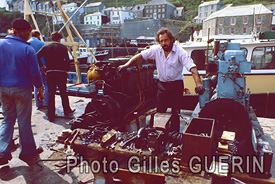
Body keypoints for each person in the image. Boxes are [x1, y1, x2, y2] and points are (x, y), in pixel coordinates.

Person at [118, 27, 205, 132]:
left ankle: (174, 136)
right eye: (161, 41)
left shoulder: (179, 52)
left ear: (171, 39)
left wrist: (198, 84)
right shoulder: (156, 50)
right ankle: (158, 135)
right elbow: (140, 56)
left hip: (176, 86)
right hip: (162, 86)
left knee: (175, 113)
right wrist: (126, 65)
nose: (164, 43)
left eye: (166, 40)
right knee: (160, 112)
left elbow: (192, 68)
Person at [0, 18, 44, 165]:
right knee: (23, 120)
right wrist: (40, 88)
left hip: (3, 88)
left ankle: (1, 152)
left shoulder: (0, 44)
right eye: (29, 32)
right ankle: (27, 151)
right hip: (21, 89)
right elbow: (35, 73)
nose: (29, 35)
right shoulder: (28, 49)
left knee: (7, 119)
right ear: (24, 32)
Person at [37, 31, 75, 122]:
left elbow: (36, 56)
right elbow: (67, 61)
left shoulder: (45, 47)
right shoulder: (63, 47)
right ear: (59, 39)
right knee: (63, 92)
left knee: (51, 93)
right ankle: (67, 111)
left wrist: (42, 67)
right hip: (61, 73)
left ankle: (51, 115)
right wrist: (67, 70)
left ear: (52, 38)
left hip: (50, 73)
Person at [28, 30, 48, 110]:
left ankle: (38, 104)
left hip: (30, 67)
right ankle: (46, 102)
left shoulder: (27, 43)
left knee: (36, 85)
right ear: (38, 35)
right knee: (46, 84)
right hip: (41, 67)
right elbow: (45, 57)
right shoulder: (41, 44)